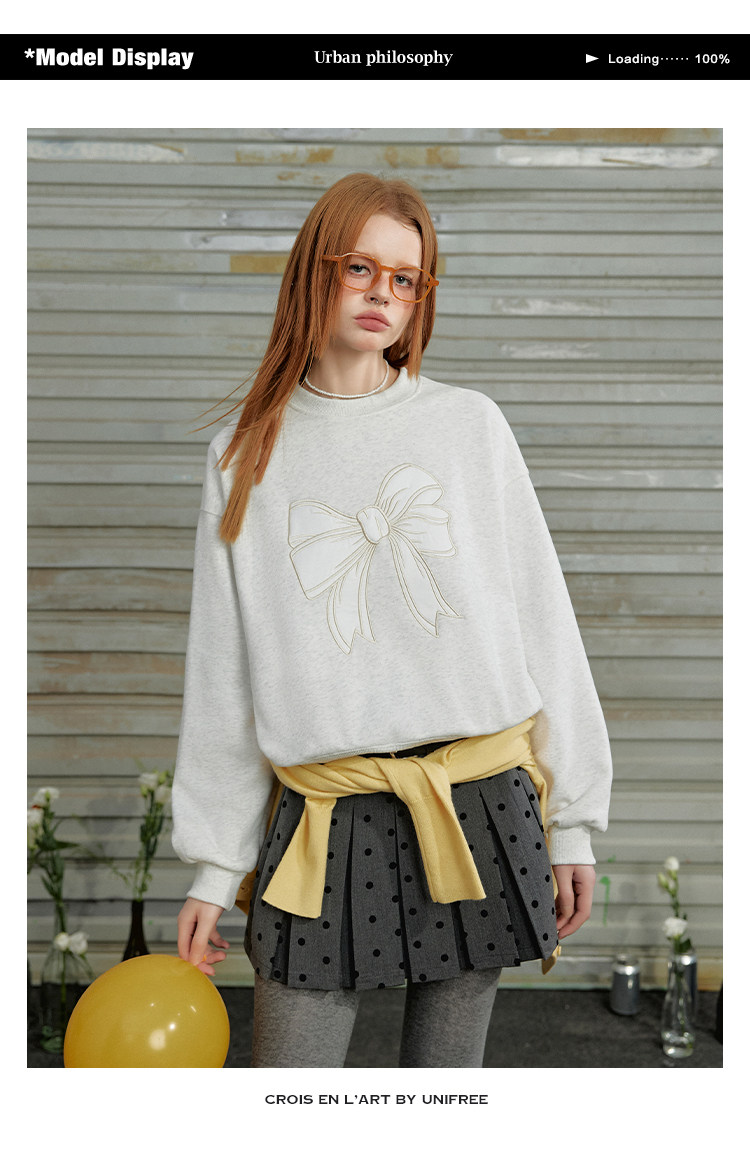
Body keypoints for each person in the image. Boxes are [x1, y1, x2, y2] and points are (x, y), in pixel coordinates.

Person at [172, 172, 613, 1068]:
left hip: (478, 800)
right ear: (315, 271)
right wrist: (215, 866)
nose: (383, 293)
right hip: (324, 817)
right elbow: (222, 675)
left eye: (406, 278)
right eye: (360, 267)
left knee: (441, 1096)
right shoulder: (242, 453)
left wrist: (572, 819)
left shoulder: (469, 425)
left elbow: (544, 621)